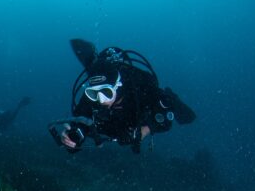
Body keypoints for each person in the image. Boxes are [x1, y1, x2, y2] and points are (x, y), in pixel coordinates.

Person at [49, 39, 196, 153]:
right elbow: (79, 126)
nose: (100, 100)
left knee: (182, 112)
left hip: (138, 115)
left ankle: (170, 96)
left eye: (106, 93)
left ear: (118, 87)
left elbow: (165, 121)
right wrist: (72, 136)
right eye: (93, 93)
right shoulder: (92, 98)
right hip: (115, 126)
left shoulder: (141, 90)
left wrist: (145, 130)